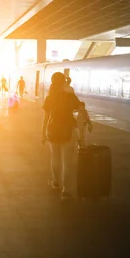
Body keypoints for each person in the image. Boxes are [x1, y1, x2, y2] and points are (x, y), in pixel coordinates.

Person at [42, 72, 81, 200]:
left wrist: (43, 133)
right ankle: (66, 191)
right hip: (67, 131)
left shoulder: (50, 97)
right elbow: (80, 108)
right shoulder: (70, 96)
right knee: (67, 162)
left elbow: (46, 117)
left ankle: (55, 182)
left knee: (55, 157)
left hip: (52, 130)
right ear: (64, 81)